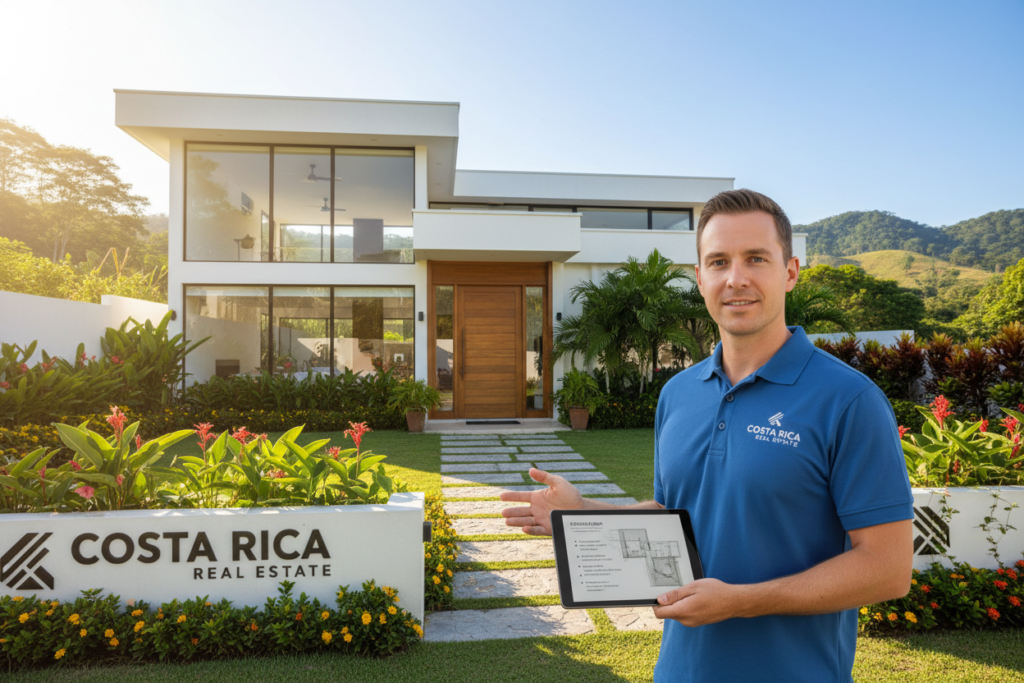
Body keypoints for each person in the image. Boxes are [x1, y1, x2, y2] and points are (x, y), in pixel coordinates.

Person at [500, 189, 914, 682]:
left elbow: (888, 568)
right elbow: (674, 515)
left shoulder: (849, 400)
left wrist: (743, 602)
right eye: (718, 262)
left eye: (755, 258)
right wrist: (581, 514)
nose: (735, 278)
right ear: (700, 279)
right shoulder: (678, 393)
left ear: (790, 272)